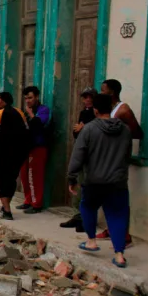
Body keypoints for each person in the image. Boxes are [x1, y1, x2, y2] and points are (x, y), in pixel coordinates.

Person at [69, 93, 132, 268]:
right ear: (111, 108)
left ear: (95, 110)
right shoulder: (125, 130)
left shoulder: (88, 129)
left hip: (93, 181)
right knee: (118, 215)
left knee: (88, 207)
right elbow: (127, 156)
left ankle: (91, 241)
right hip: (118, 182)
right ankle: (119, 255)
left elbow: (78, 155)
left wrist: (72, 177)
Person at [94, 79, 142, 246]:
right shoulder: (107, 110)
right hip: (105, 158)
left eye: (103, 90)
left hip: (118, 159)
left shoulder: (123, 110)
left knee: (119, 199)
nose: (100, 93)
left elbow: (137, 132)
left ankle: (125, 235)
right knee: (107, 197)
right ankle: (110, 229)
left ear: (112, 92)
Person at [0, 91, 29, 221]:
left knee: (2, 181)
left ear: (4, 101)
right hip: (18, 154)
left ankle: (7, 211)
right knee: (11, 180)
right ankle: (6, 206)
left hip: (2, 154)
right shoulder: (20, 113)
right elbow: (26, 131)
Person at [60, 87, 98, 231]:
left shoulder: (97, 114)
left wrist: (84, 128)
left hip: (92, 156)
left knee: (86, 188)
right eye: (85, 97)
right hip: (81, 153)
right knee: (77, 185)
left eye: (90, 97)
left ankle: (85, 219)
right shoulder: (84, 113)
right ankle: (77, 216)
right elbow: (77, 133)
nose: (87, 100)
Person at [16, 86, 51, 214]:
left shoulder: (43, 110)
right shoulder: (25, 112)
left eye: (30, 98)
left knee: (35, 176)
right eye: (26, 98)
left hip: (38, 146)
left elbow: (38, 124)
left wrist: (31, 114)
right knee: (24, 175)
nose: (28, 101)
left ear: (36, 97)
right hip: (26, 147)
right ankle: (28, 200)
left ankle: (37, 204)